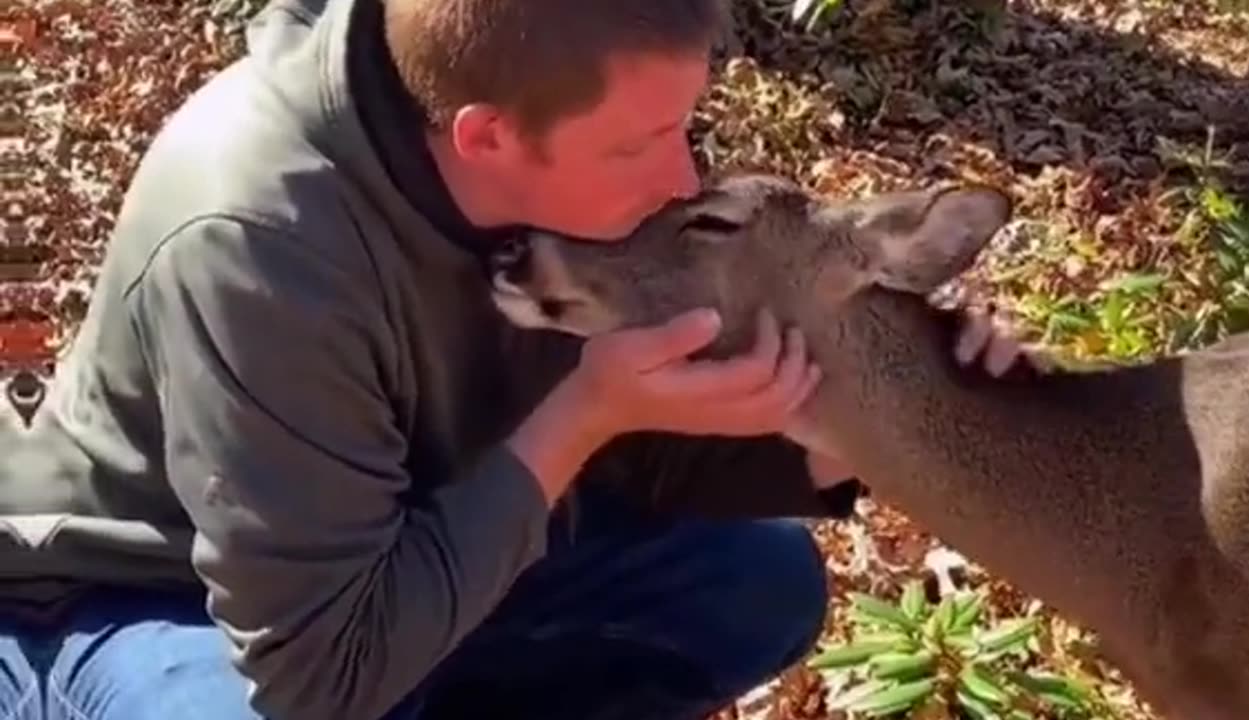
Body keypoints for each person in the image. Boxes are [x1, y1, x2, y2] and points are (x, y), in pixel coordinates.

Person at [0, 0, 1033, 718]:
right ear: (488, 136)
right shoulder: (260, 243)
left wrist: (874, 424)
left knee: (752, 585)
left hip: (429, 532)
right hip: (162, 594)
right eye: (641, 144)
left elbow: (649, 447)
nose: (680, 173)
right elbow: (319, 677)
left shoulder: (582, 120)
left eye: (687, 126)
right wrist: (579, 414)